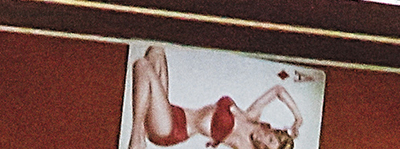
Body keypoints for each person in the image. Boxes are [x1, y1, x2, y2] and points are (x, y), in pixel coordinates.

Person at [129, 46, 302, 148]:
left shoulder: (245, 146)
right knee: (155, 51)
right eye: (269, 139)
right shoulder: (251, 115)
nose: (262, 142)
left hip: (170, 129)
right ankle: (142, 126)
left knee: (142, 66)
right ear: (273, 130)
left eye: (265, 148)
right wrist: (298, 119)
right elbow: (278, 90)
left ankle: (136, 137)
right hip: (173, 112)